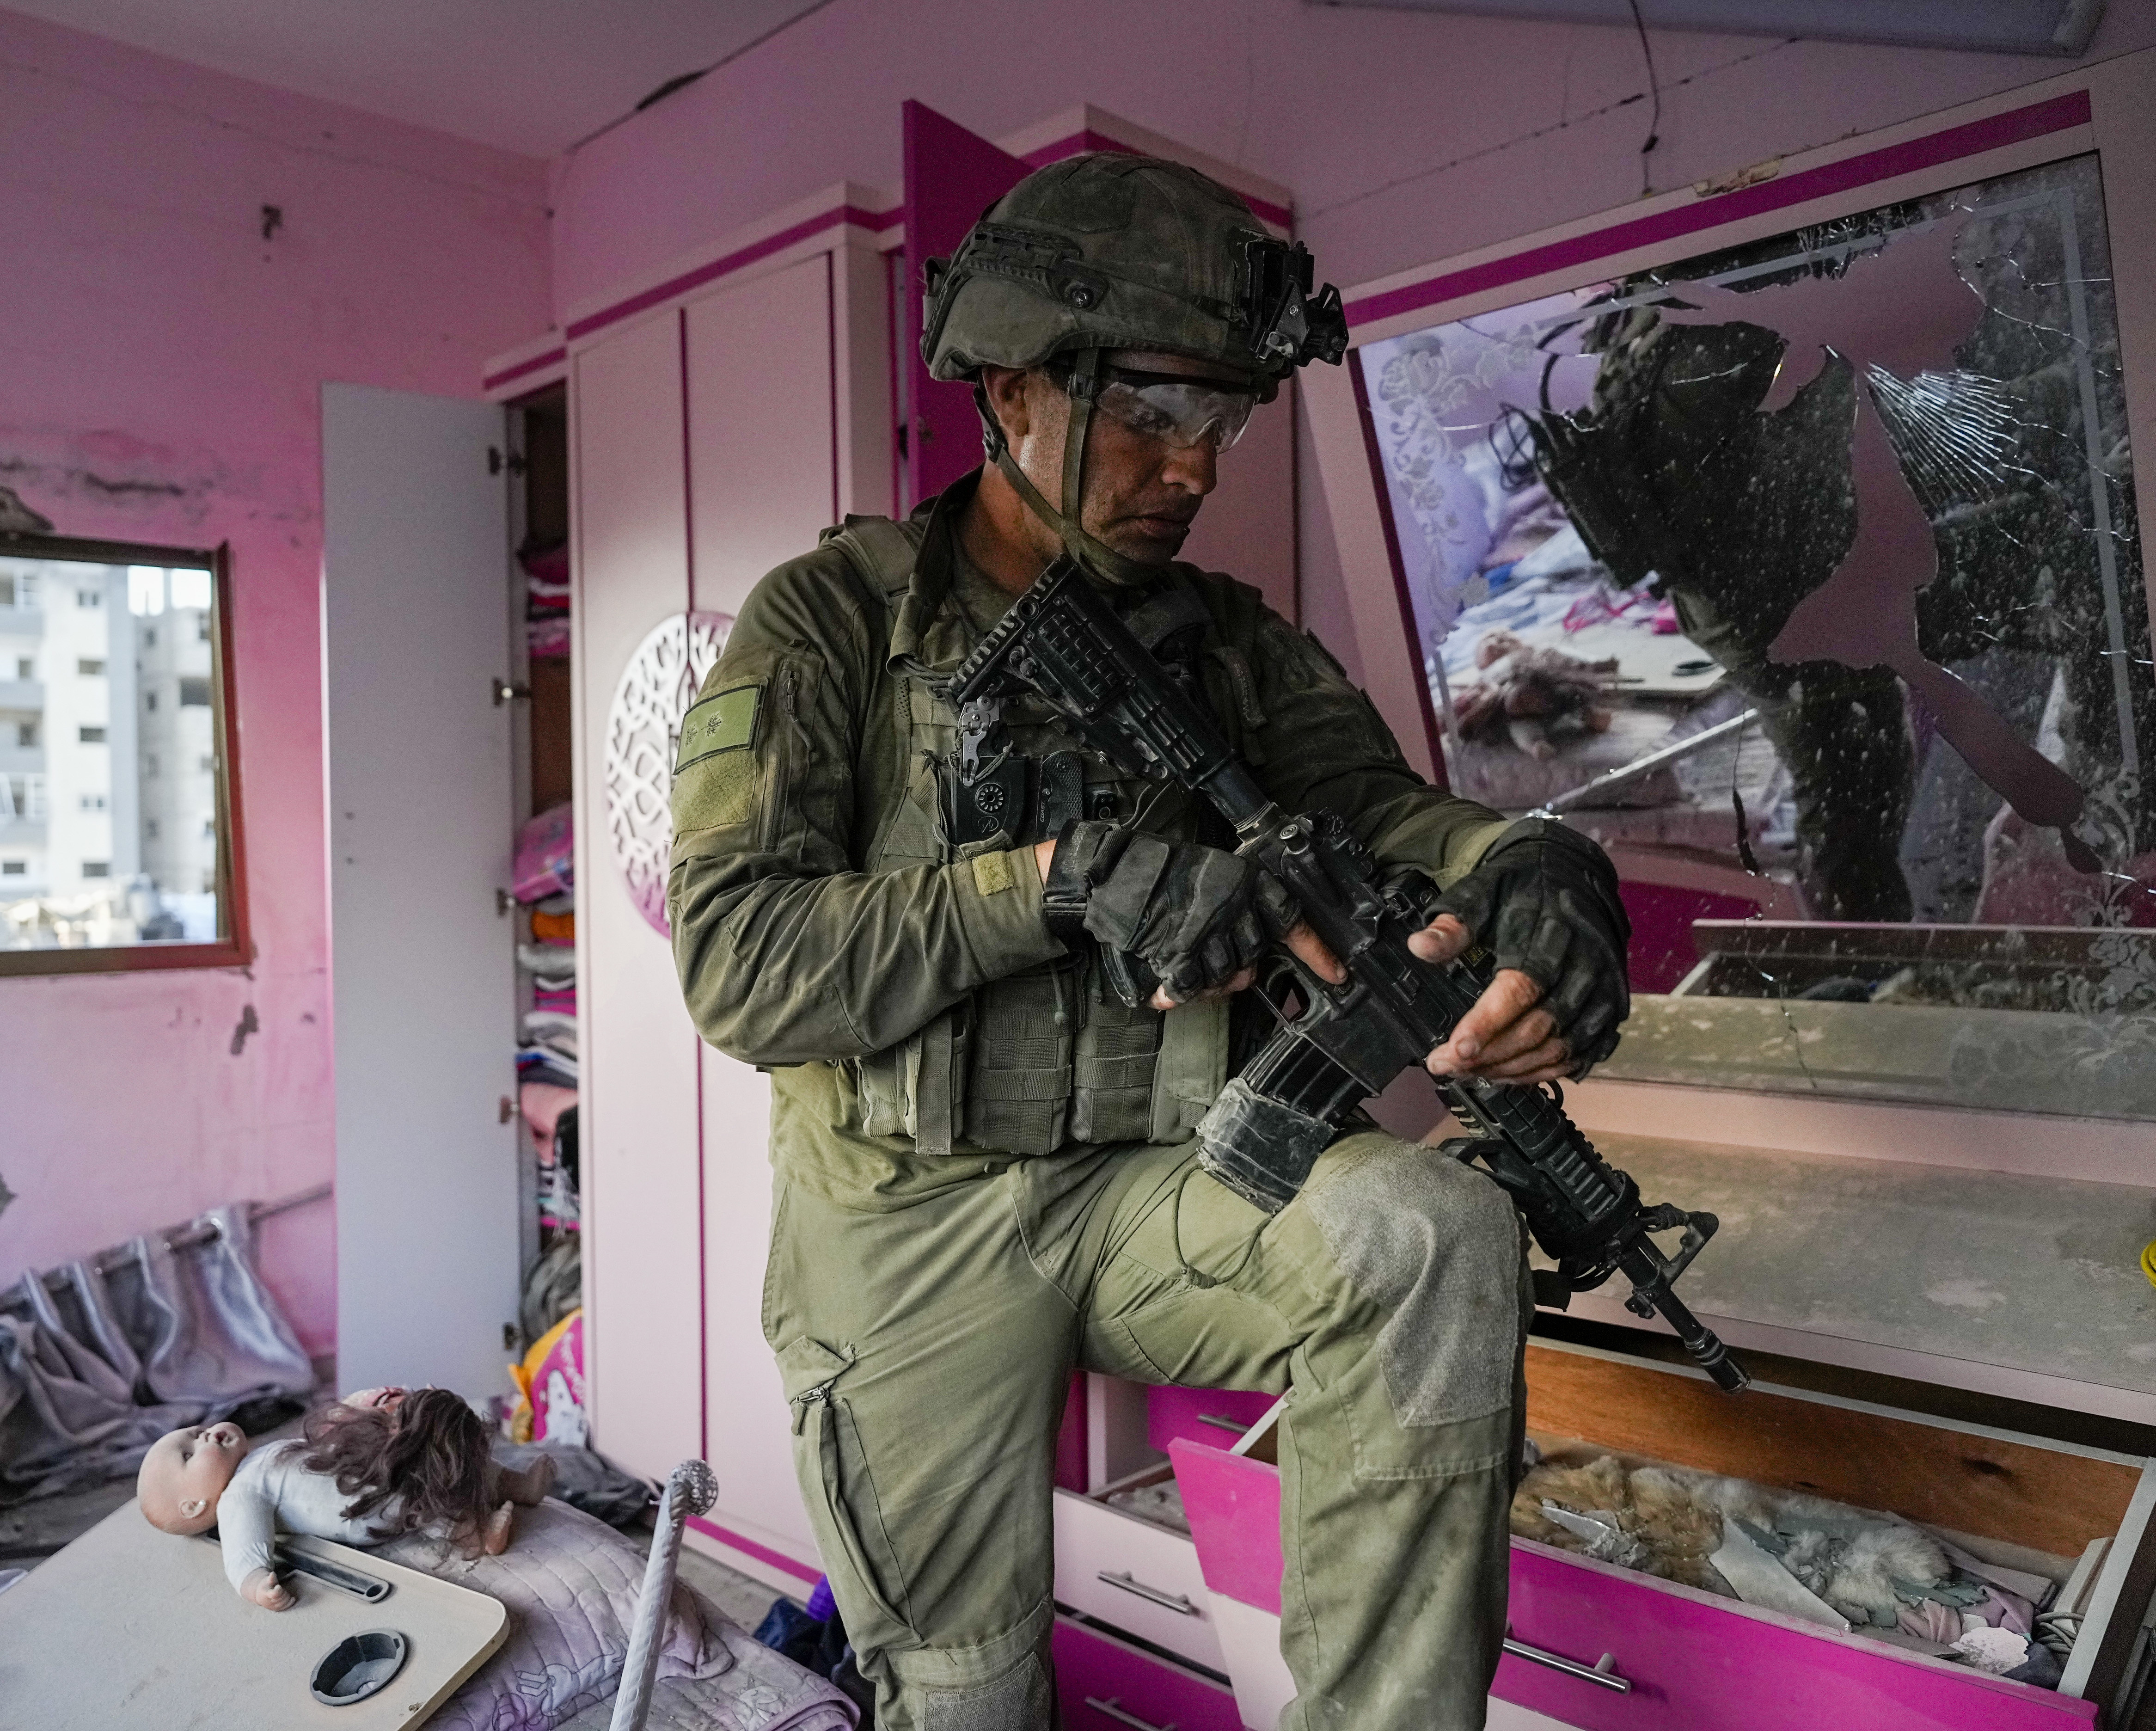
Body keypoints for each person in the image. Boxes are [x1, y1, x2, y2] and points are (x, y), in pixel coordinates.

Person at [667, 152, 1633, 1731]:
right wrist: (1051, 882)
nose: (1191, 466)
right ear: (1009, 387)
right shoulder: (830, 622)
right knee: (967, 1700)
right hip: (906, 1219)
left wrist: (1536, 867)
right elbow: (737, 958)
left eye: (1221, 420)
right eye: (1149, 410)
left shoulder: (1229, 645)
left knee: (1434, 1234)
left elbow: (1391, 812)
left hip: (1164, 1182)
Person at [136, 1387, 555, 1608]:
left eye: (195, 1432)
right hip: (360, 1505)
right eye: (190, 1454)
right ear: (194, 1506)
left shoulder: (257, 1458)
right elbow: (243, 1550)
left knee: (437, 1447)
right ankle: (473, 1535)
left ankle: (520, 1486)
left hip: (357, 1471)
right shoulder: (238, 1496)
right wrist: (254, 1584)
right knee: (419, 1488)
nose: (205, 1436)